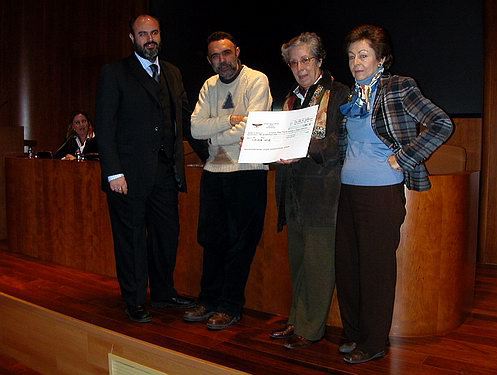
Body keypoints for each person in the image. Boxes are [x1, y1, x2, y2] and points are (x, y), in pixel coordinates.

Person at [335, 24, 454, 364]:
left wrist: (403, 157)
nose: (357, 63)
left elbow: (441, 123)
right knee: (348, 266)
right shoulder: (349, 96)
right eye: (352, 56)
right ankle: (355, 333)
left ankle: (373, 343)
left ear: (381, 58)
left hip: (381, 193)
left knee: (375, 270)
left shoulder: (398, 87)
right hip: (349, 190)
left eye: (364, 55)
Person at [95, 14, 207, 323]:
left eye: (154, 32)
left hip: (166, 173)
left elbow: (185, 119)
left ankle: (163, 292)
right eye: (143, 34)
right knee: (131, 240)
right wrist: (113, 173)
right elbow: (104, 127)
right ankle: (134, 299)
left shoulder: (172, 72)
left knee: (166, 236)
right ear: (132, 38)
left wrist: (212, 153)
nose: (150, 38)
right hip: (127, 176)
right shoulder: (114, 73)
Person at [183, 31, 272, 330]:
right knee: (212, 241)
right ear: (210, 61)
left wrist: (217, 133)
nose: (222, 61)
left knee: (240, 244)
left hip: (248, 172)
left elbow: (254, 125)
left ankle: (230, 306)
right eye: (215, 56)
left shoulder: (256, 80)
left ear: (236, 51)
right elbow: (195, 128)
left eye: (226, 53)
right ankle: (208, 300)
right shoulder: (209, 86)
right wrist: (231, 120)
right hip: (214, 172)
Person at [268, 32, 349, 349]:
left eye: (305, 60)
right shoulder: (287, 100)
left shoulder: (339, 94)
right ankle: (295, 320)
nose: (299, 67)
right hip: (293, 195)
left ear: (319, 60)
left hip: (324, 196)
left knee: (318, 266)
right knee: (300, 264)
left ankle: (310, 329)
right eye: (293, 62)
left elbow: (340, 144)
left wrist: (304, 147)